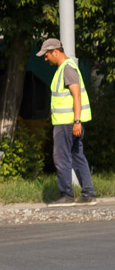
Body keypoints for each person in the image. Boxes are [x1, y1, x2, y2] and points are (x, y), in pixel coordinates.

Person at [37, 38, 97, 204]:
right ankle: (88, 194)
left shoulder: (67, 69)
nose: (45, 58)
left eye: (47, 55)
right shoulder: (64, 68)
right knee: (77, 156)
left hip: (67, 123)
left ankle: (67, 195)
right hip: (69, 122)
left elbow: (76, 95)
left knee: (61, 157)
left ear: (55, 51)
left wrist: (76, 121)